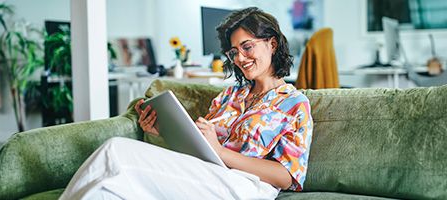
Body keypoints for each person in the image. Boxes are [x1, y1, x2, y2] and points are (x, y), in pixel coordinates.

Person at [60, 7, 313, 200]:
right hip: (204, 173)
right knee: (110, 191)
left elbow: (285, 176)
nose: (240, 58)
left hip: (245, 187)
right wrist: (164, 130)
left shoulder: (294, 103)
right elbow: (201, 149)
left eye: (247, 47)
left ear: (272, 43)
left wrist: (221, 152)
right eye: (234, 52)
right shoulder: (229, 97)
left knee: (115, 150)